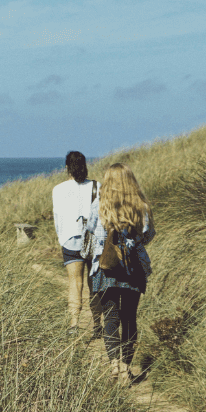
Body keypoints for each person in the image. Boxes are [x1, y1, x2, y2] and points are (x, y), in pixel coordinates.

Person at [90, 162, 155, 378]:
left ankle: (114, 365)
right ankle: (127, 366)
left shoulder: (99, 206)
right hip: (133, 269)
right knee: (129, 317)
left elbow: (94, 235)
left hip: (107, 267)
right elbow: (148, 235)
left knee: (110, 318)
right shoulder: (142, 206)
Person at [50, 151, 98, 333]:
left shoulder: (58, 189)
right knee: (94, 284)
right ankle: (97, 324)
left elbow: (57, 218)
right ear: (85, 166)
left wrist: (62, 237)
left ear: (66, 168)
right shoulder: (97, 186)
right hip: (93, 240)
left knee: (74, 282)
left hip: (70, 239)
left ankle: (74, 323)